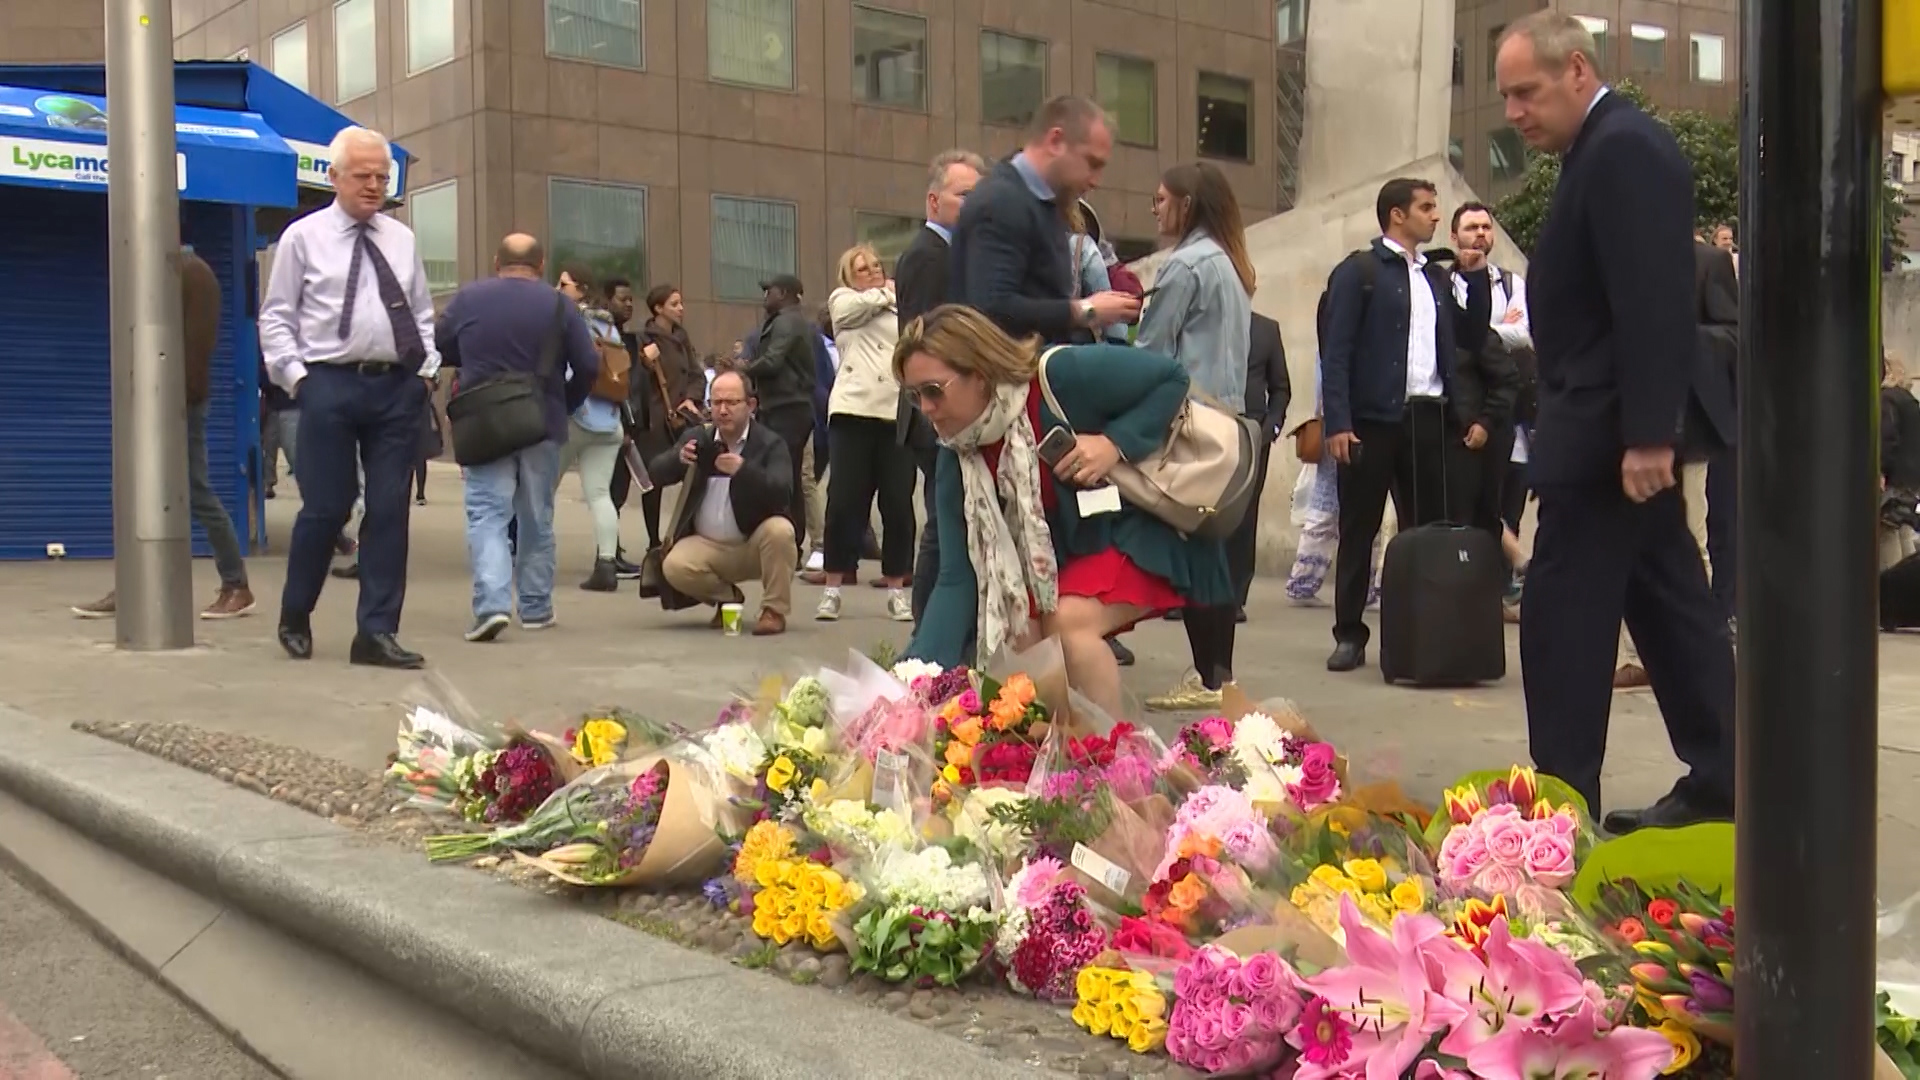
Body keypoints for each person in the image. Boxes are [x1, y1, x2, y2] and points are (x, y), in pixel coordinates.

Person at [1496, 11, 1735, 831]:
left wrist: (1647, 431)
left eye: (1527, 91)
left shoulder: (1624, 148)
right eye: (1505, 97)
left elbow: (1652, 299)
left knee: (1564, 624)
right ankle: (1728, 779)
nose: (1515, 112)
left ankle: (1559, 809)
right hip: (1602, 430)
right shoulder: (1597, 153)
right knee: (1671, 607)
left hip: (1607, 439)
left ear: (1577, 70)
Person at [899, 305, 1233, 723]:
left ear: (979, 375)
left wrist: (1113, 443)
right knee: (1020, 633)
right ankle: (1061, 760)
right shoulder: (957, 452)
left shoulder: (1059, 375)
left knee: (1067, 622)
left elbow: (1171, 379)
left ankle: (1114, 759)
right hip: (1075, 556)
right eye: (914, 396)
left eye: (933, 390)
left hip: (1148, 527)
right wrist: (913, 678)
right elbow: (955, 578)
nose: (926, 408)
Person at [949, 95, 1142, 670]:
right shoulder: (1004, 203)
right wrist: (1083, 311)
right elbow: (991, 304)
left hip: (1016, 406)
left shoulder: (1033, 203)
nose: (1096, 180)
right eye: (1093, 162)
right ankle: (937, 696)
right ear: (1054, 140)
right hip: (996, 407)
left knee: (987, 563)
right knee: (965, 568)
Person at [259, 126, 438, 669]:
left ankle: (376, 633)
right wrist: (298, 379)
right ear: (333, 177)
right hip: (328, 384)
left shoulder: (401, 239)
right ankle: (295, 612)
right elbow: (277, 316)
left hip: (394, 386)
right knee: (327, 506)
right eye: (363, 176)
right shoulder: (303, 238)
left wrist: (425, 370)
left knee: (389, 509)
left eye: (382, 177)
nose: (374, 186)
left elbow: (421, 311)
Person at [1319, 177, 1491, 673]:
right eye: (1427, 208)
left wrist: (1474, 280)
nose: (1437, 217)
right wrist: (1339, 421)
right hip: (1372, 421)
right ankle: (1349, 633)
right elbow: (1338, 352)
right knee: (1360, 529)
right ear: (1398, 214)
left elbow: (1472, 335)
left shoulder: (1436, 277)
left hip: (1429, 417)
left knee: (1426, 530)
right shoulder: (1361, 271)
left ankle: (1421, 630)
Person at [73, 245, 256, 621]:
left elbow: (196, 345)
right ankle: (133, 586)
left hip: (177, 402)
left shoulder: (191, 273)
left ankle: (236, 584)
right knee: (142, 491)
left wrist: (176, 400)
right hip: (157, 399)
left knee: (195, 489)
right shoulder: (165, 273)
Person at [434, 234, 600, 642]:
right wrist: (565, 402)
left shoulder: (469, 299)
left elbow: (439, 346)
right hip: (541, 420)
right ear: (541, 265)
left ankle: (491, 606)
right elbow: (588, 363)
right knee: (536, 517)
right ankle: (536, 608)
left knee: (488, 514)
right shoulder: (561, 305)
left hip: (485, 419)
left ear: (496, 261)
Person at [1134, 162, 1256, 713]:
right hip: (1226, 420)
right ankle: (1215, 675)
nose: (1155, 208)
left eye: (1161, 199)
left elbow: (1151, 353)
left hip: (1188, 422)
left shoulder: (1184, 265)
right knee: (1212, 552)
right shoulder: (1229, 262)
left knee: (1197, 552)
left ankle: (1210, 677)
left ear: (1187, 203)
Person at [898, 148, 987, 625]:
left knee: (947, 517)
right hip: (934, 410)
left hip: (944, 405)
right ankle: (927, 631)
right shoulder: (928, 257)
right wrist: (935, 398)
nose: (974, 206)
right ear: (935, 202)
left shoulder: (952, 254)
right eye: (964, 195)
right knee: (942, 520)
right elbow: (920, 341)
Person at [651, 370, 797, 636]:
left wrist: (744, 471)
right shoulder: (700, 437)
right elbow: (655, 473)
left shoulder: (769, 443)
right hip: (707, 546)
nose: (723, 410)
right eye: (716, 403)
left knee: (781, 531)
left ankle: (774, 610)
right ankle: (728, 599)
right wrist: (678, 460)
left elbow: (783, 493)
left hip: (753, 544)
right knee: (674, 566)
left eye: (731, 403)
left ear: (750, 405)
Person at [819, 245, 915, 623]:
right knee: (844, 502)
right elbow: (846, 311)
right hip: (853, 410)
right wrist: (889, 291)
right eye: (863, 269)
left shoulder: (897, 305)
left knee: (897, 503)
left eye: (877, 266)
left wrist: (893, 296)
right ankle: (832, 588)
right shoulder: (844, 300)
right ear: (849, 276)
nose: (873, 272)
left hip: (894, 411)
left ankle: (896, 589)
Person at [1446, 202, 1525, 541]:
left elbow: (1523, 335)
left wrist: (1482, 332)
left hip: (1500, 404)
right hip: (1455, 410)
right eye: (1471, 227)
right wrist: (1494, 328)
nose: (1480, 233)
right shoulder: (1441, 280)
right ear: (1454, 236)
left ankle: (1500, 577)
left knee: (1501, 502)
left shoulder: (1510, 282)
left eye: (1485, 227)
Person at [552, 266, 627, 593]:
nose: (557, 287)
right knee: (599, 495)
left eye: (563, 283)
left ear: (580, 289)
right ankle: (607, 564)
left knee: (542, 491)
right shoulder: (609, 327)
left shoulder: (571, 322)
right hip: (610, 418)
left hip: (576, 415)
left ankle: (533, 562)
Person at [743, 273, 817, 555]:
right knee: (787, 474)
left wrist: (744, 369)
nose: (765, 297)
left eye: (769, 291)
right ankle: (788, 541)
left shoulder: (787, 321)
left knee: (784, 476)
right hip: (783, 407)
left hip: (788, 408)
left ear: (784, 293)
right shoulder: (785, 320)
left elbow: (773, 360)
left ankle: (789, 543)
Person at [632, 283, 703, 551]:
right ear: (658, 308)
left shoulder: (683, 339)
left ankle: (686, 534)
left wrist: (692, 398)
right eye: (674, 304)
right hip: (655, 421)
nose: (681, 308)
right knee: (653, 482)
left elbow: (696, 374)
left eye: (681, 303)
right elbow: (636, 379)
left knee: (694, 473)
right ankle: (653, 542)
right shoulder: (644, 339)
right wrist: (645, 362)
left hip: (683, 418)